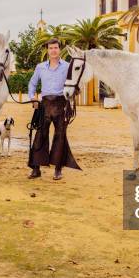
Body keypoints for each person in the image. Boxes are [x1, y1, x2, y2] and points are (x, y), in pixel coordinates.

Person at [27, 38, 80, 180]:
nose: (53, 50)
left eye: (56, 48)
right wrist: (32, 97)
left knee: (60, 136)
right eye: (51, 48)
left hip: (61, 104)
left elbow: (74, 83)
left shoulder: (68, 66)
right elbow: (32, 84)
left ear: (59, 49)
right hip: (44, 105)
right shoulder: (40, 67)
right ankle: (36, 169)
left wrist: (71, 99)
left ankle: (58, 169)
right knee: (40, 135)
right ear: (47, 50)